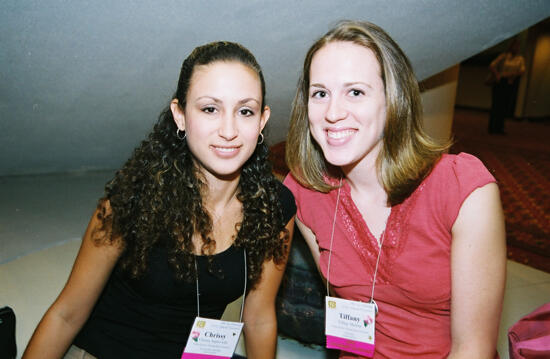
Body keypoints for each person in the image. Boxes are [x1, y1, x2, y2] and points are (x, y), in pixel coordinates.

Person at [23, 41, 295, 359]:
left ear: (262, 121)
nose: (229, 130)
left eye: (245, 111)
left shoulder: (274, 207)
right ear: (180, 115)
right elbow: (65, 315)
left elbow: (259, 318)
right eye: (210, 109)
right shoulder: (131, 202)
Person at [284, 20, 506, 358]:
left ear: (394, 100)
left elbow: (473, 348)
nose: (332, 113)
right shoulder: (304, 192)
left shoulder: (462, 188)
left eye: (355, 92)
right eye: (320, 94)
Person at [488, 38, 526, 134]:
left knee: (504, 106)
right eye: (515, 46)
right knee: (496, 105)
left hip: (510, 82)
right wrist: (497, 75)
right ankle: (492, 127)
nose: (516, 48)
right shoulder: (504, 56)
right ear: (510, 47)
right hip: (500, 82)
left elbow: (522, 71)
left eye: (518, 46)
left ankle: (500, 127)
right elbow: (492, 65)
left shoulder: (520, 59)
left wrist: (513, 75)